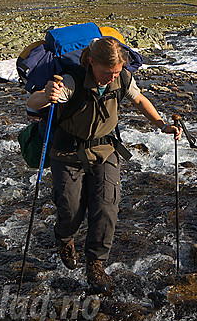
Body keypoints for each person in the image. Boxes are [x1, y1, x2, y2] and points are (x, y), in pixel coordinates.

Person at [26, 36, 182, 291]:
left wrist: (162, 125)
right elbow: (33, 103)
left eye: (116, 72)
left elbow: (140, 100)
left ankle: (95, 264)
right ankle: (65, 238)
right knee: (70, 210)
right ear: (91, 62)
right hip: (68, 153)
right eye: (107, 72)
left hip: (106, 149)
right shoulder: (71, 80)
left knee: (106, 207)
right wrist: (46, 95)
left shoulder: (121, 79)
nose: (111, 78)